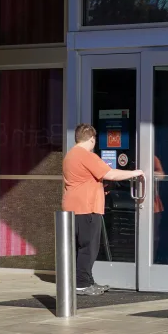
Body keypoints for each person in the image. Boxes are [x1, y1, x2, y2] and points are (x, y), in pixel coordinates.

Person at [62, 124, 143, 297]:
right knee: (88, 247)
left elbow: (83, 179)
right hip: (87, 207)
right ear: (91, 139)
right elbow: (111, 174)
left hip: (73, 206)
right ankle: (82, 284)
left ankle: (86, 281)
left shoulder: (70, 155)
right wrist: (136, 172)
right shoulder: (86, 155)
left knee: (80, 246)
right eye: (94, 140)